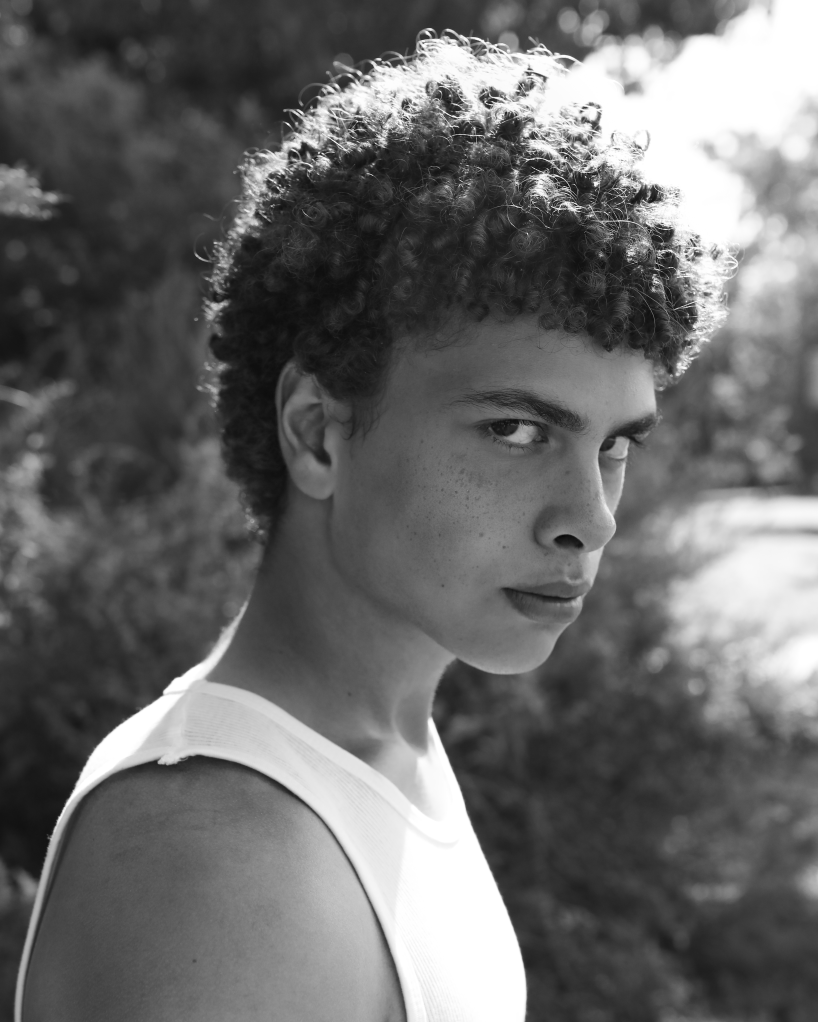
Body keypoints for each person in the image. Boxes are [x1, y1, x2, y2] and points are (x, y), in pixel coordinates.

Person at [16, 32, 729, 1022]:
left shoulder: (376, 752)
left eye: (614, 444)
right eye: (516, 430)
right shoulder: (219, 854)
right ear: (317, 432)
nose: (591, 518)